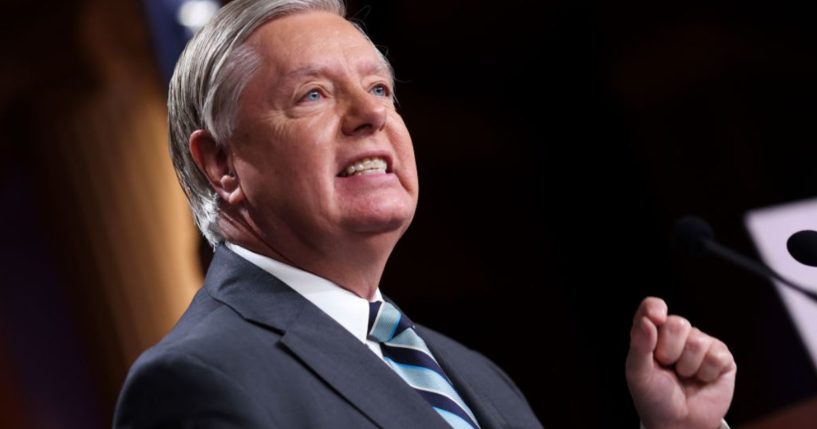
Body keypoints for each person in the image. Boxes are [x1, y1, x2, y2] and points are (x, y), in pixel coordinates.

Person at [113, 0, 737, 427]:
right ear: (223, 164)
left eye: (380, 89)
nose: (372, 114)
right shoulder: (198, 382)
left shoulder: (467, 371)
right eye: (313, 95)